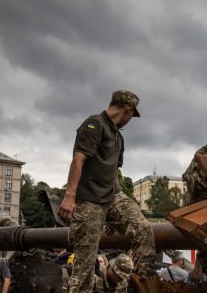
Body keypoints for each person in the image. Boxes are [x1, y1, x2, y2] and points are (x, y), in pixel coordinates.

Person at [58, 90, 156, 292]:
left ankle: (143, 283)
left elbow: (114, 172)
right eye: (131, 117)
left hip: (111, 196)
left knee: (143, 229)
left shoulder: (118, 138)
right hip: (88, 201)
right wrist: (69, 197)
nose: (129, 121)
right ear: (127, 110)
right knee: (84, 268)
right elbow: (79, 159)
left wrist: (114, 213)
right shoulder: (94, 125)